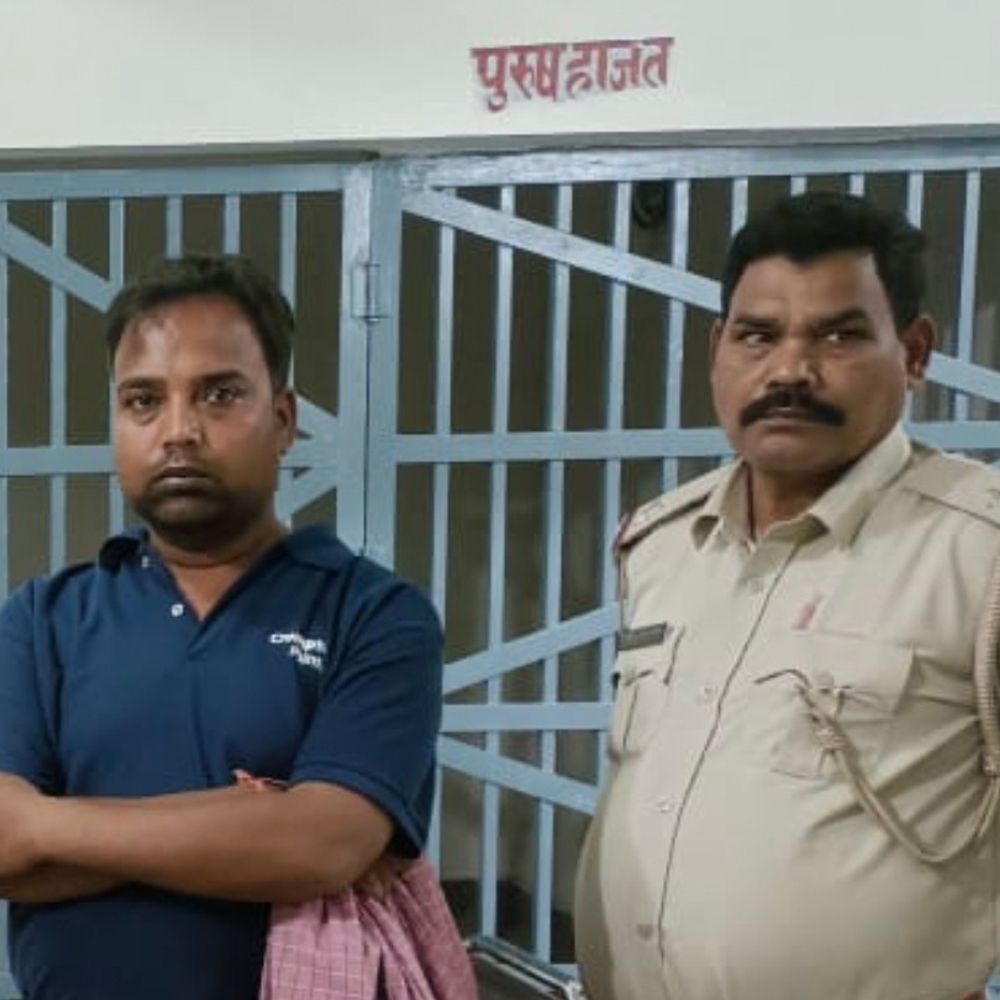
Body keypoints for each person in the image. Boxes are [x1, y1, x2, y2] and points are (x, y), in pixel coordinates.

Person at [574, 191, 1000, 1000]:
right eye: (758, 336)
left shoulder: (979, 554)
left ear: (914, 352)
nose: (789, 371)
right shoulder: (663, 544)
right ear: (718, 348)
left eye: (839, 335)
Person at [0, 255, 443, 1000]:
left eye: (219, 394)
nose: (179, 431)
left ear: (283, 419)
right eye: (143, 400)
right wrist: (247, 821)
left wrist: (46, 827)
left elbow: (322, 843)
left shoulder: (374, 614)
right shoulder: (43, 619)